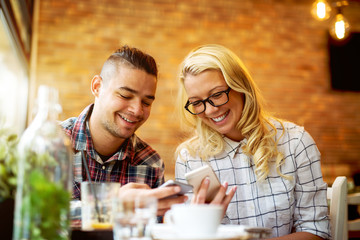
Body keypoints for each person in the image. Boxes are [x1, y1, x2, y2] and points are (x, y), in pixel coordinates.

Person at [174, 44, 331, 239]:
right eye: (197, 103)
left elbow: (316, 230)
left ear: (241, 87)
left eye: (216, 95)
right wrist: (198, 225)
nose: (210, 110)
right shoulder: (190, 157)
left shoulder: (296, 142)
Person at [61, 45, 186, 216]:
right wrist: (114, 205)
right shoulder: (52, 143)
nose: (137, 110)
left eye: (146, 102)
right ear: (97, 87)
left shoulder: (151, 163)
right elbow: (37, 214)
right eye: (125, 96)